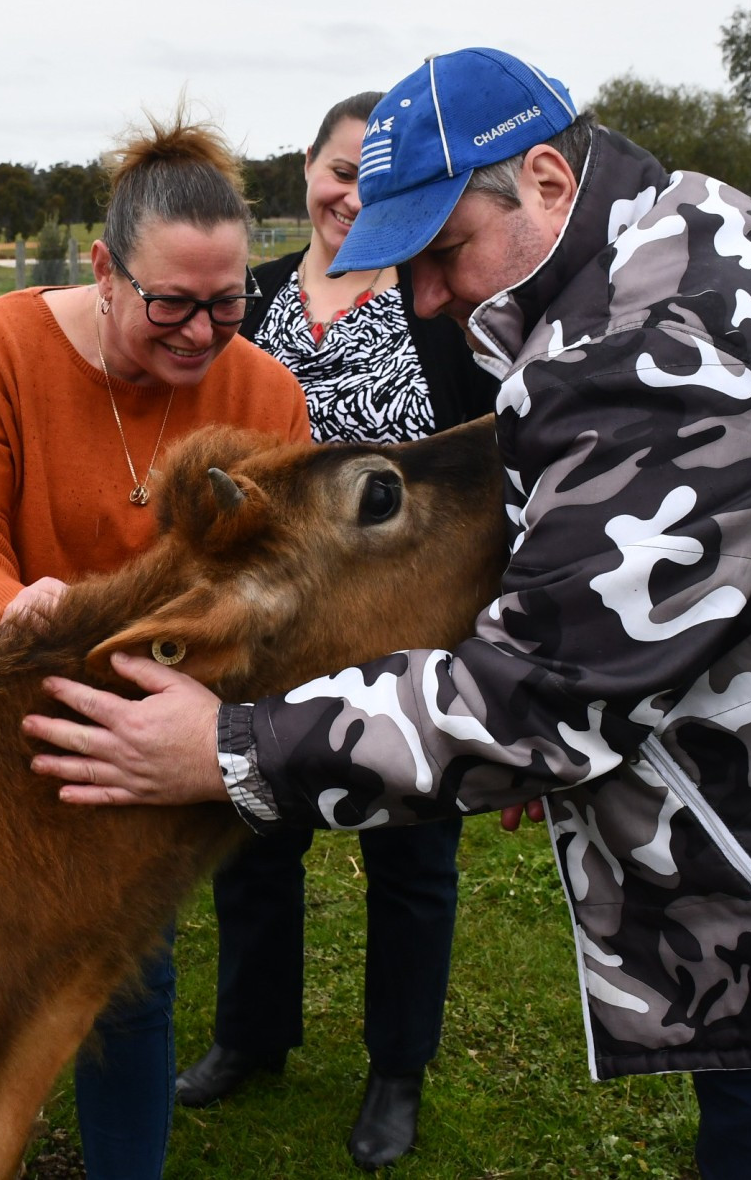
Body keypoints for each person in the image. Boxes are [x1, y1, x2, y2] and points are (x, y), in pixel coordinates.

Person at [24, 48, 751, 1180]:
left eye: (443, 254)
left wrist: (226, 745)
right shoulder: (688, 227)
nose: (427, 300)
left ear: (546, 179)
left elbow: (536, 701)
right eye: (405, 269)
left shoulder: (643, 352)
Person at [0, 106, 309, 1179]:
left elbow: (280, 584)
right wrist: (4, 606)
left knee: (128, 981)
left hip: (139, 743)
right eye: (169, 303)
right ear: (103, 269)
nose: (200, 332)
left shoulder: (264, 394)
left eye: (227, 305)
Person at [172, 90, 496, 1169]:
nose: (352, 194)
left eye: (378, 180)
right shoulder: (247, 298)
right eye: (338, 169)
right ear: (303, 169)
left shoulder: (434, 300)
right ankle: (249, 1036)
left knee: (410, 857)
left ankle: (395, 1070)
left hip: (402, 628)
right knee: (253, 838)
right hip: (274, 622)